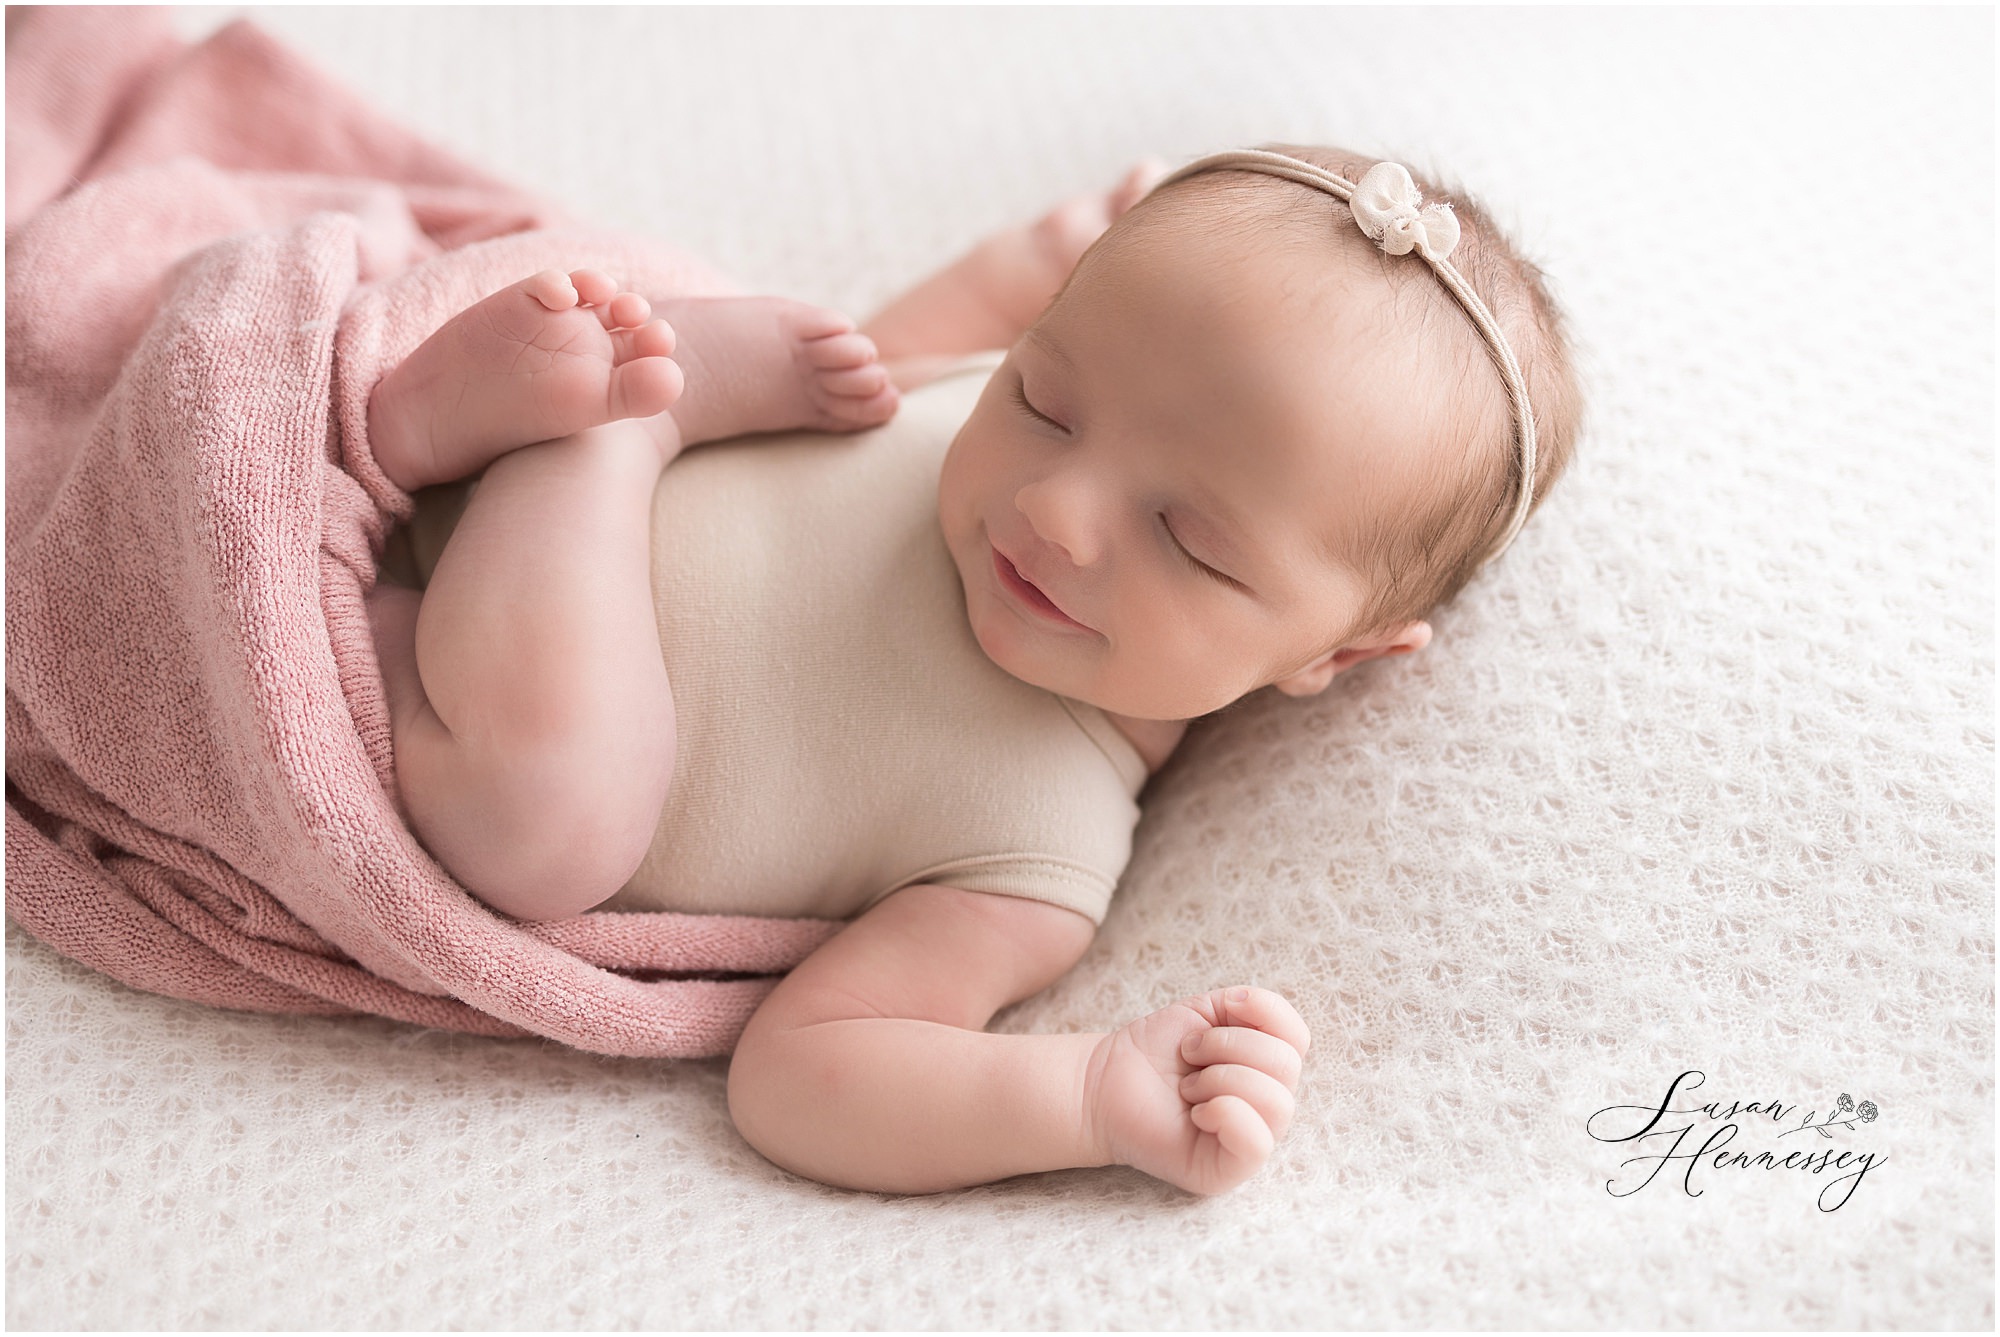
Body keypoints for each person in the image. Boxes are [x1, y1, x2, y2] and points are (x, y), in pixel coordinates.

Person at [365, 145, 1580, 1195]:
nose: (1053, 507)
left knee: (549, 829)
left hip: (452, 697)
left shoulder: (1035, 855)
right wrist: (1069, 246)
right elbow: (931, 330)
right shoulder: (956, 393)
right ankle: (475, 419)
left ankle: (591, 437)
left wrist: (1091, 1094)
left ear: (1337, 653)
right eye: (1044, 404)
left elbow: (802, 1071)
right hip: (420, 524)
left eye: (1188, 541)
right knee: (790, 351)